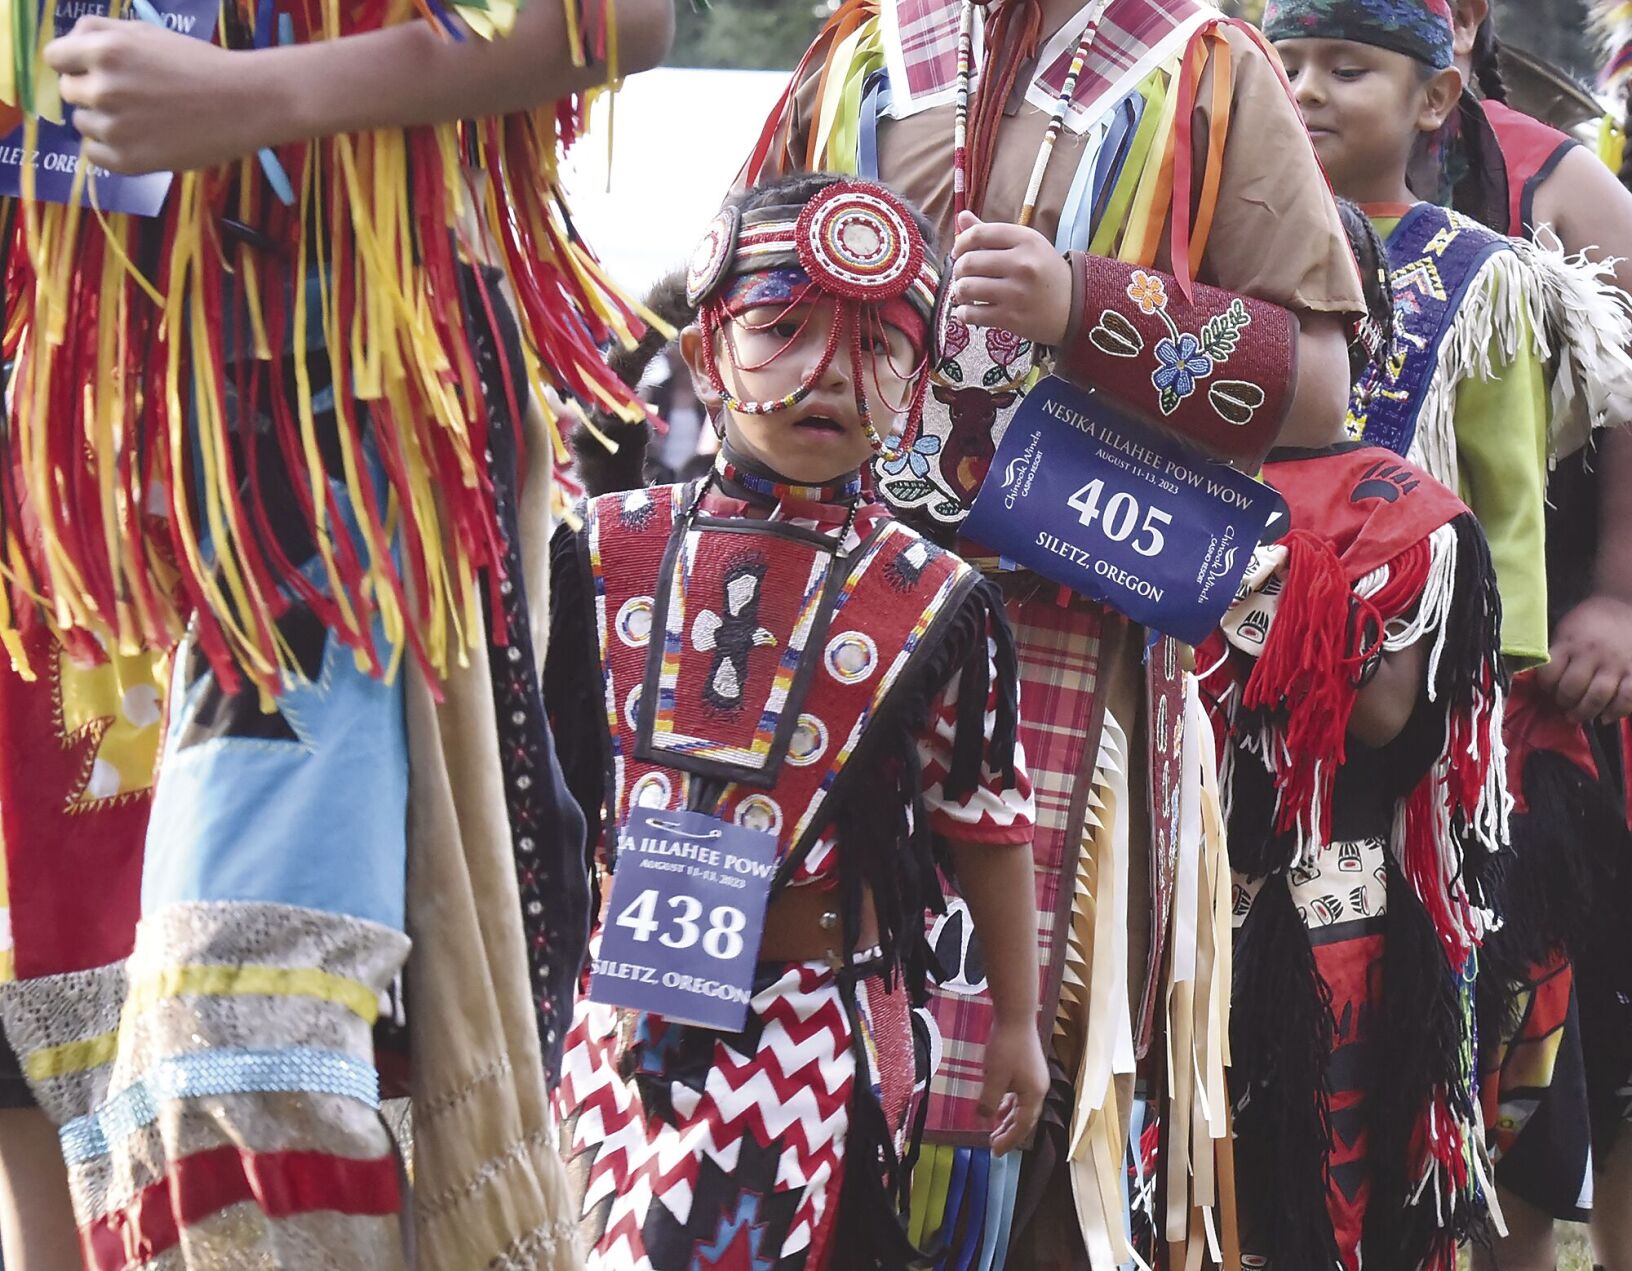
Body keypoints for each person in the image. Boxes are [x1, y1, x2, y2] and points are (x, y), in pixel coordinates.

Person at [0, 1, 675, 1266]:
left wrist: (252, 97)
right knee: (111, 1045)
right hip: (121, 476)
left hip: (348, 428)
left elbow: (623, 21)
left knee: (252, 1026)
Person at [740, 2, 1366, 1262]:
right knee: (806, 1015)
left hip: (1067, 634)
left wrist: (1085, 302)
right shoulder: (865, 57)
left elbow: (1320, 388)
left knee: (1038, 1087)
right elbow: (736, 301)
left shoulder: (1197, 64)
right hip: (839, 622)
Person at [547, 172, 1048, 1269]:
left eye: (876, 347)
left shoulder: (936, 602)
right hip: (609, 1012)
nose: (828, 373)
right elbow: (542, 802)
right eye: (782, 328)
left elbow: (984, 821)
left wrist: (1019, 1017)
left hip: (812, 1021)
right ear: (704, 351)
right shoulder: (599, 548)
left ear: (918, 389)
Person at [1199, 198, 1509, 1271]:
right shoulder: (1144, 474)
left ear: (1361, 338)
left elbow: (1382, 713)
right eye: (1237, 312)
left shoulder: (1396, 506)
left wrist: (1274, 590)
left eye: (1303, 318)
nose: (1267, 341)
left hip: (1326, 911)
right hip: (1164, 910)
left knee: (1320, 1207)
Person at [1447, 5, 1632, 1268]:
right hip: (1345, 685)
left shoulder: (1552, 180)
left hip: (1555, 687)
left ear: (1458, 25)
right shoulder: (1242, 153)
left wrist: (1617, 592)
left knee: (1562, 1050)